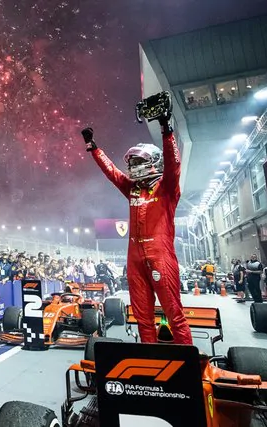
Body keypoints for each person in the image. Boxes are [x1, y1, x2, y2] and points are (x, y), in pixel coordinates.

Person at [82, 98, 192, 345]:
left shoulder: (167, 188)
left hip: (161, 257)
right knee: (143, 318)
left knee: (174, 314)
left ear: (153, 163)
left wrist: (166, 129)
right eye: (132, 163)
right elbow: (112, 173)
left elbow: (173, 163)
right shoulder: (132, 190)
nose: (133, 166)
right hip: (134, 260)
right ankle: (149, 358)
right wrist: (94, 149)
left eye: (139, 162)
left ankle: (187, 359)